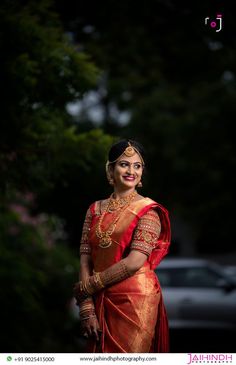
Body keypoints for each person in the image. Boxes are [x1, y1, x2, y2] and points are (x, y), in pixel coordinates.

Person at [73, 139, 171, 353]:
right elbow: (85, 258)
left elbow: (135, 262)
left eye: (137, 166)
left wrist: (89, 286)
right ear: (111, 169)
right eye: (124, 164)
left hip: (134, 300)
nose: (131, 171)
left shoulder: (148, 210)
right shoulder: (94, 209)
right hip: (100, 297)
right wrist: (87, 307)